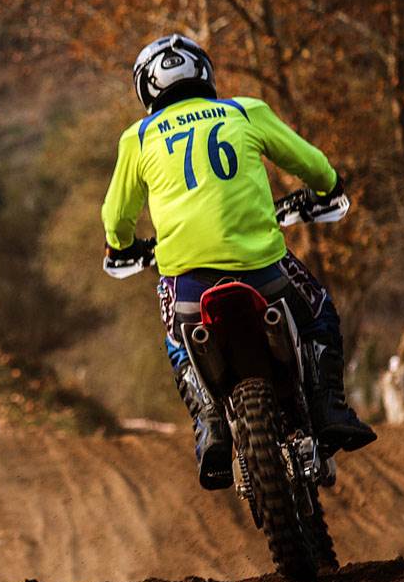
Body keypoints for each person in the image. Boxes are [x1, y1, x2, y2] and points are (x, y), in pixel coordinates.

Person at [101, 34, 376, 491]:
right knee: (319, 312)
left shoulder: (139, 137)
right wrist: (327, 187)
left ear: (145, 88)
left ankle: (209, 424)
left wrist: (121, 247)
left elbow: (116, 220)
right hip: (263, 271)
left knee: (177, 344)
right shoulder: (245, 110)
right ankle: (329, 407)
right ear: (203, 72)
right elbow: (313, 164)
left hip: (187, 283)